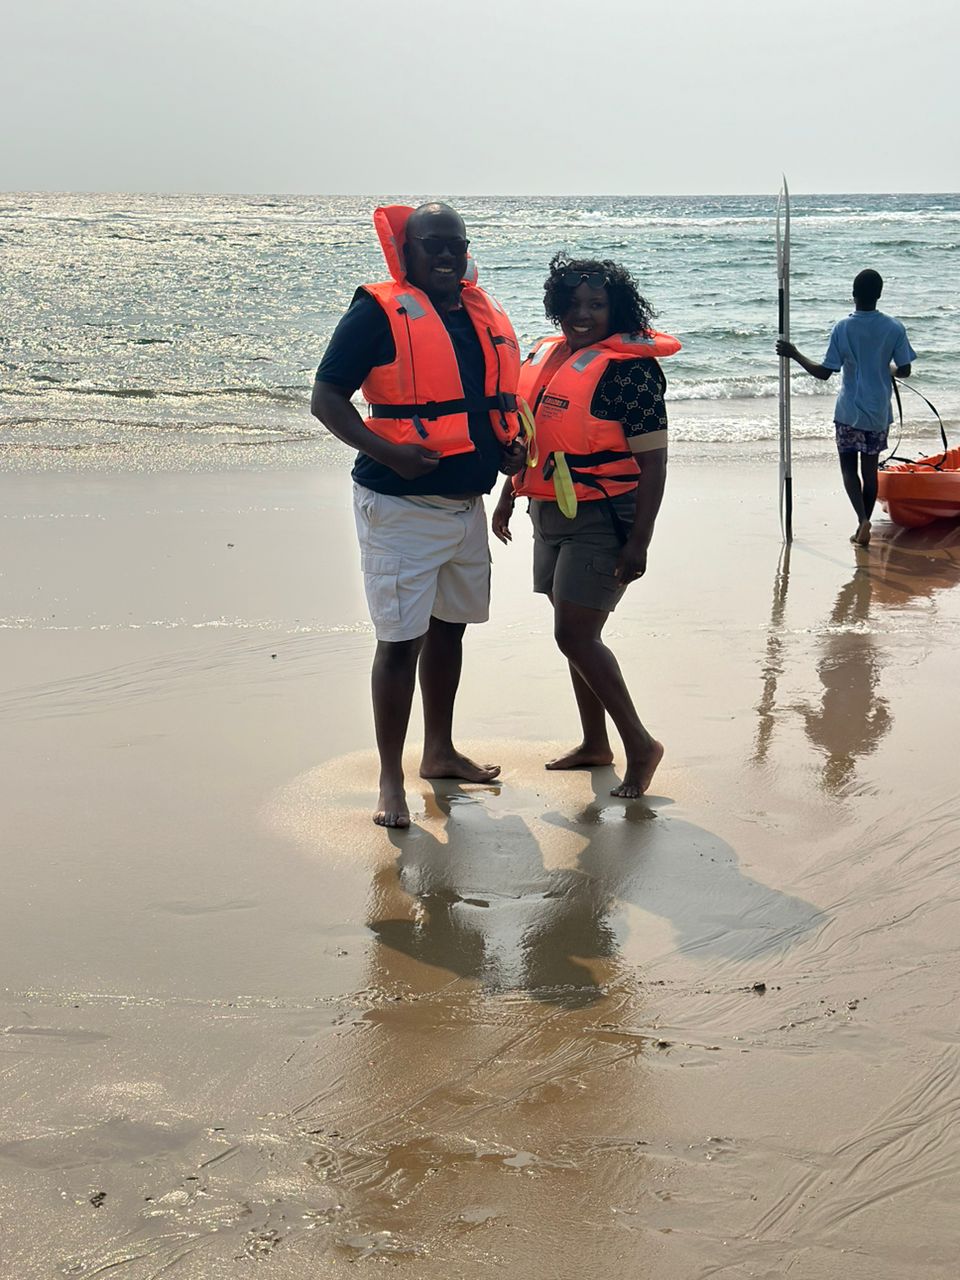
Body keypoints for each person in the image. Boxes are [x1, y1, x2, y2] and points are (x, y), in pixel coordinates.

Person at [311, 202, 526, 829]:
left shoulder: (477, 315)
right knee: (400, 642)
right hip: (399, 506)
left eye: (455, 245)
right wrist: (389, 452)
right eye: (431, 244)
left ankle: (439, 751)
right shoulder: (376, 313)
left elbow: (484, 404)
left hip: (466, 506)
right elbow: (326, 399)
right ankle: (389, 778)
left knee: (451, 630)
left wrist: (507, 448)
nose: (446, 255)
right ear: (404, 252)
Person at [492, 254, 680, 798]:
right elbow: (537, 442)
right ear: (557, 307)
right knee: (579, 637)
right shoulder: (551, 357)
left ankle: (640, 745)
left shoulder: (631, 370)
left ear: (616, 308)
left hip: (603, 515)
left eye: (597, 305)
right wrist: (508, 497)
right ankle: (595, 743)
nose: (584, 314)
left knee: (574, 634)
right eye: (573, 304)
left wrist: (640, 541)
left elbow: (655, 464)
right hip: (547, 509)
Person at [777, 268, 916, 546]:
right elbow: (905, 370)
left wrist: (794, 354)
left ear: (853, 296)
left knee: (848, 470)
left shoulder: (843, 328)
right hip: (878, 412)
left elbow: (825, 372)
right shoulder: (894, 327)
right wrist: (887, 369)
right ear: (879, 295)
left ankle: (862, 521)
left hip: (848, 412)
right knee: (869, 471)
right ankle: (863, 524)